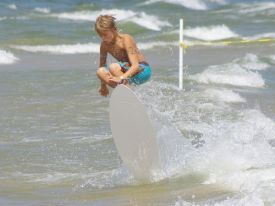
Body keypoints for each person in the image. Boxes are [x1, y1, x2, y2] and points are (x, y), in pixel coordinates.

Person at [95, 15, 152, 97]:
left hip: (142, 71)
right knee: (100, 71)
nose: (103, 38)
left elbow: (135, 66)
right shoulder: (104, 45)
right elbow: (102, 66)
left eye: (105, 35)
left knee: (113, 67)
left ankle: (128, 93)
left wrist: (121, 78)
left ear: (114, 29)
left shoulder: (125, 39)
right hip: (126, 74)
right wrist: (103, 86)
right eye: (100, 35)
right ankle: (128, 93)